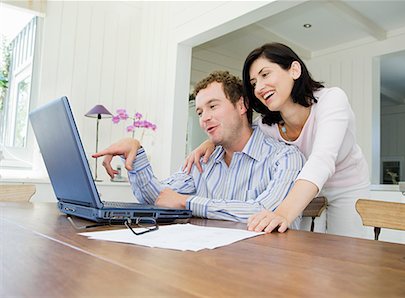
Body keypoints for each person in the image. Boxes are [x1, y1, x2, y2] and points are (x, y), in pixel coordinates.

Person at [184, 43, 370, 237]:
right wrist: (211, 142)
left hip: (346, 186)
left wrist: (281, 213)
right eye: (254, 83)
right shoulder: (267, 124)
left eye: (265, 75)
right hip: (303, 187)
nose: (259, 88)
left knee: (346, 251)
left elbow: (322, 159)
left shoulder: (332, 100)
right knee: (309, 251)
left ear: (294, 70)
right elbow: (239, 129)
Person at [93, 70, 304, 225]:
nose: (205, 119)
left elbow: (266, 212)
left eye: (213, 106)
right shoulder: (202, 160)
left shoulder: (285, 157)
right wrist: (136, 154)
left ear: (241, 105)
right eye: (200, 112)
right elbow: (158, 198)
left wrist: (187, 202)